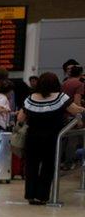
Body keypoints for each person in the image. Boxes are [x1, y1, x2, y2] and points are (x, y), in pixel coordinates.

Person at [17, 72, 84, 204]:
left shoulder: (30, 98)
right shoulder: (61, 97)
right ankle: (42, 196)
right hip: (52, 139)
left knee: (31, 167)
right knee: (48, 167)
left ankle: (30, 195)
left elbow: (20, 118)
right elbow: (76, 110)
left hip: (32, 138)